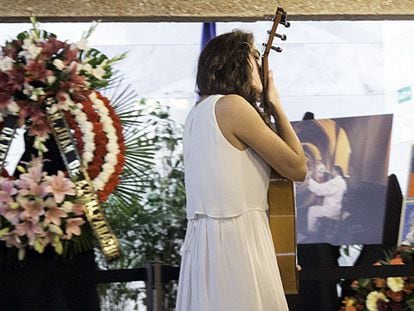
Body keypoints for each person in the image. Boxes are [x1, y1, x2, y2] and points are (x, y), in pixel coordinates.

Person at [175, 30, 306, 311]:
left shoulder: (197, 113)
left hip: (206, 246)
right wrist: (278, 107)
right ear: (234, 61)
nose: (261, 65)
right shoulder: (232, 106)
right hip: (238, 245)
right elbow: (297, 167)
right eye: (255, 56)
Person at [307, 165, 347, 232]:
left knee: (312, 210)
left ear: (335, 171)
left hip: (332, 210)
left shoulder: (335, 182)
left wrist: (309, 179)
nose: (331, 172)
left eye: (332, 170)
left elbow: (319, 190)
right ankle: (317, 228)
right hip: (338, 208)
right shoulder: (343, 182)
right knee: (317, 208)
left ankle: (311, 231)